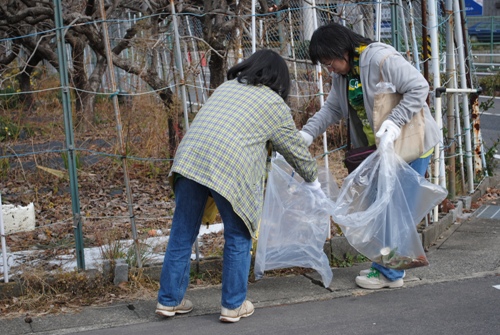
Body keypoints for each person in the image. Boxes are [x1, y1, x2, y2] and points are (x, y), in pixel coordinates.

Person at [156, 49, 322, 322]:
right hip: (230, 168)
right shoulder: (272, 102)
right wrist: (313, 180)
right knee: (238, 235)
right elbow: (294, 148)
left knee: (182, 233)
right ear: (279, 80)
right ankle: (233, 305)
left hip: (189, 161)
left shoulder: (226, 87)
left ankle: (168, 301)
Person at [300, 23, 440, 290]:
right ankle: (390, 269)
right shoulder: (343, 76)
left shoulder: (379, 58)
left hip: (412, 146)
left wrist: (396, 121)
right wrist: (307, 134)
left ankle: (389, 273)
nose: (329, 69)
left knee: (394, 212)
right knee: (384, 210)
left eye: (330, 62)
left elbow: (419, 87)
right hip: (382, 151)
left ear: (343, 51)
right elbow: (332, 109)